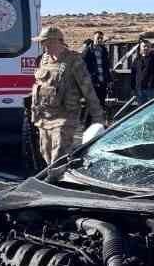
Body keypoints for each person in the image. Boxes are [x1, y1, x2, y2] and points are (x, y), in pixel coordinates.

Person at [31, 25, 103, 166]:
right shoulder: (44, 60)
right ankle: (54, 177)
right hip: (45, 116)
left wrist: (98, 117)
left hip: (65, 117)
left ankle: (57, 182)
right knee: (45, 152)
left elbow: (88, 90)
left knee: (59, 155)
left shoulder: (73, 60)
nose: (42, 45)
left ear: (56, 41)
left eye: (45, 42)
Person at [80, 30, 111, 111]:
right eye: (98, 38)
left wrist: (109, 79)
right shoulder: (88, 51)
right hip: (92, 83)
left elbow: (106, 66)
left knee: (101, 104)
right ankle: (89, 122)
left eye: (101, 38)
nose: (100, 40)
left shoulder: (104, 51)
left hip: (102, 82)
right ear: (94, 38)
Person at [130, 38, 154, 105]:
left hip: (151, 88)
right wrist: (133, 88)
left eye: (148, 46)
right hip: (139, 89)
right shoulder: (137, 60)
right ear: (141, 48)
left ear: (150, 48)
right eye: (144, 46)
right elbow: (133, 74)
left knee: (153, 106)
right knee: (141, 109)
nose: (146, 48)